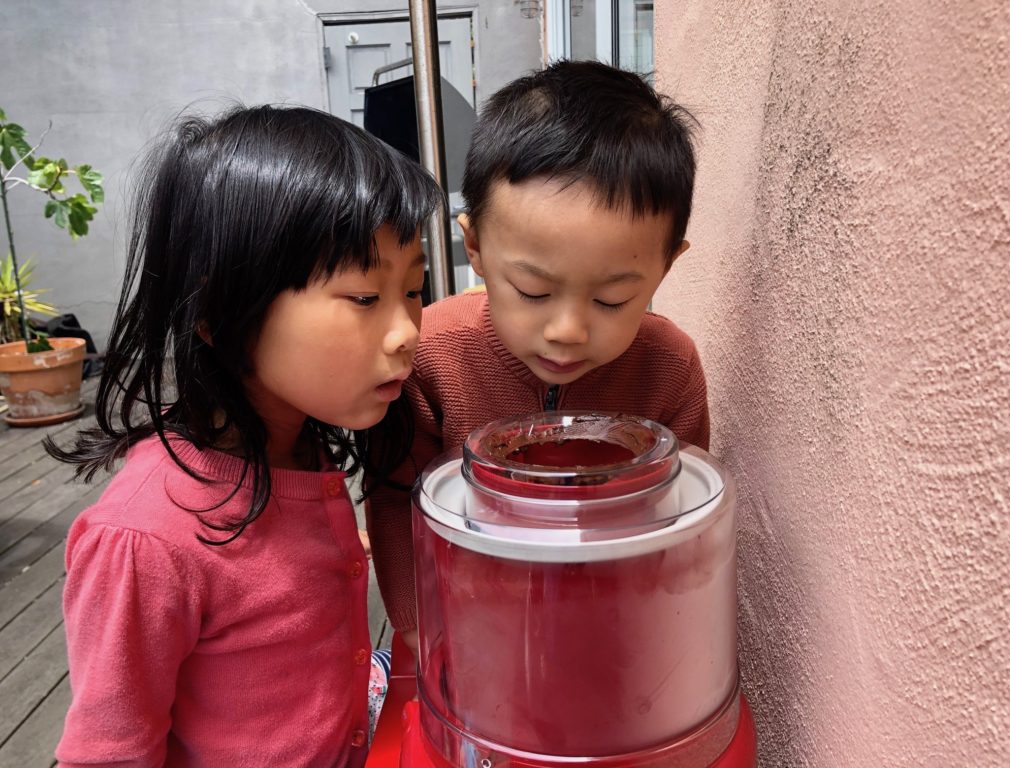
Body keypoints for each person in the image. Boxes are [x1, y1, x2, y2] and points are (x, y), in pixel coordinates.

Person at [45, 105, 445, 767]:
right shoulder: (144, 538)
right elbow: (107, 753)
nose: (407, 331)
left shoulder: (301, 444)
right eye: (366, 298)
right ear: (219, 312)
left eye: (414, 289)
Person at [365, 60, 710, 654]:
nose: (568, 330)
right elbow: (397, 501)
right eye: (533, 291)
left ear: (666, 266)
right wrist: (419, 627)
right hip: (469, 621)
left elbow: (682, 519)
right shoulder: (433, 356)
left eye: (613, 298)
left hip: (614, 627)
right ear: (474, 246)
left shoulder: (669, 368)